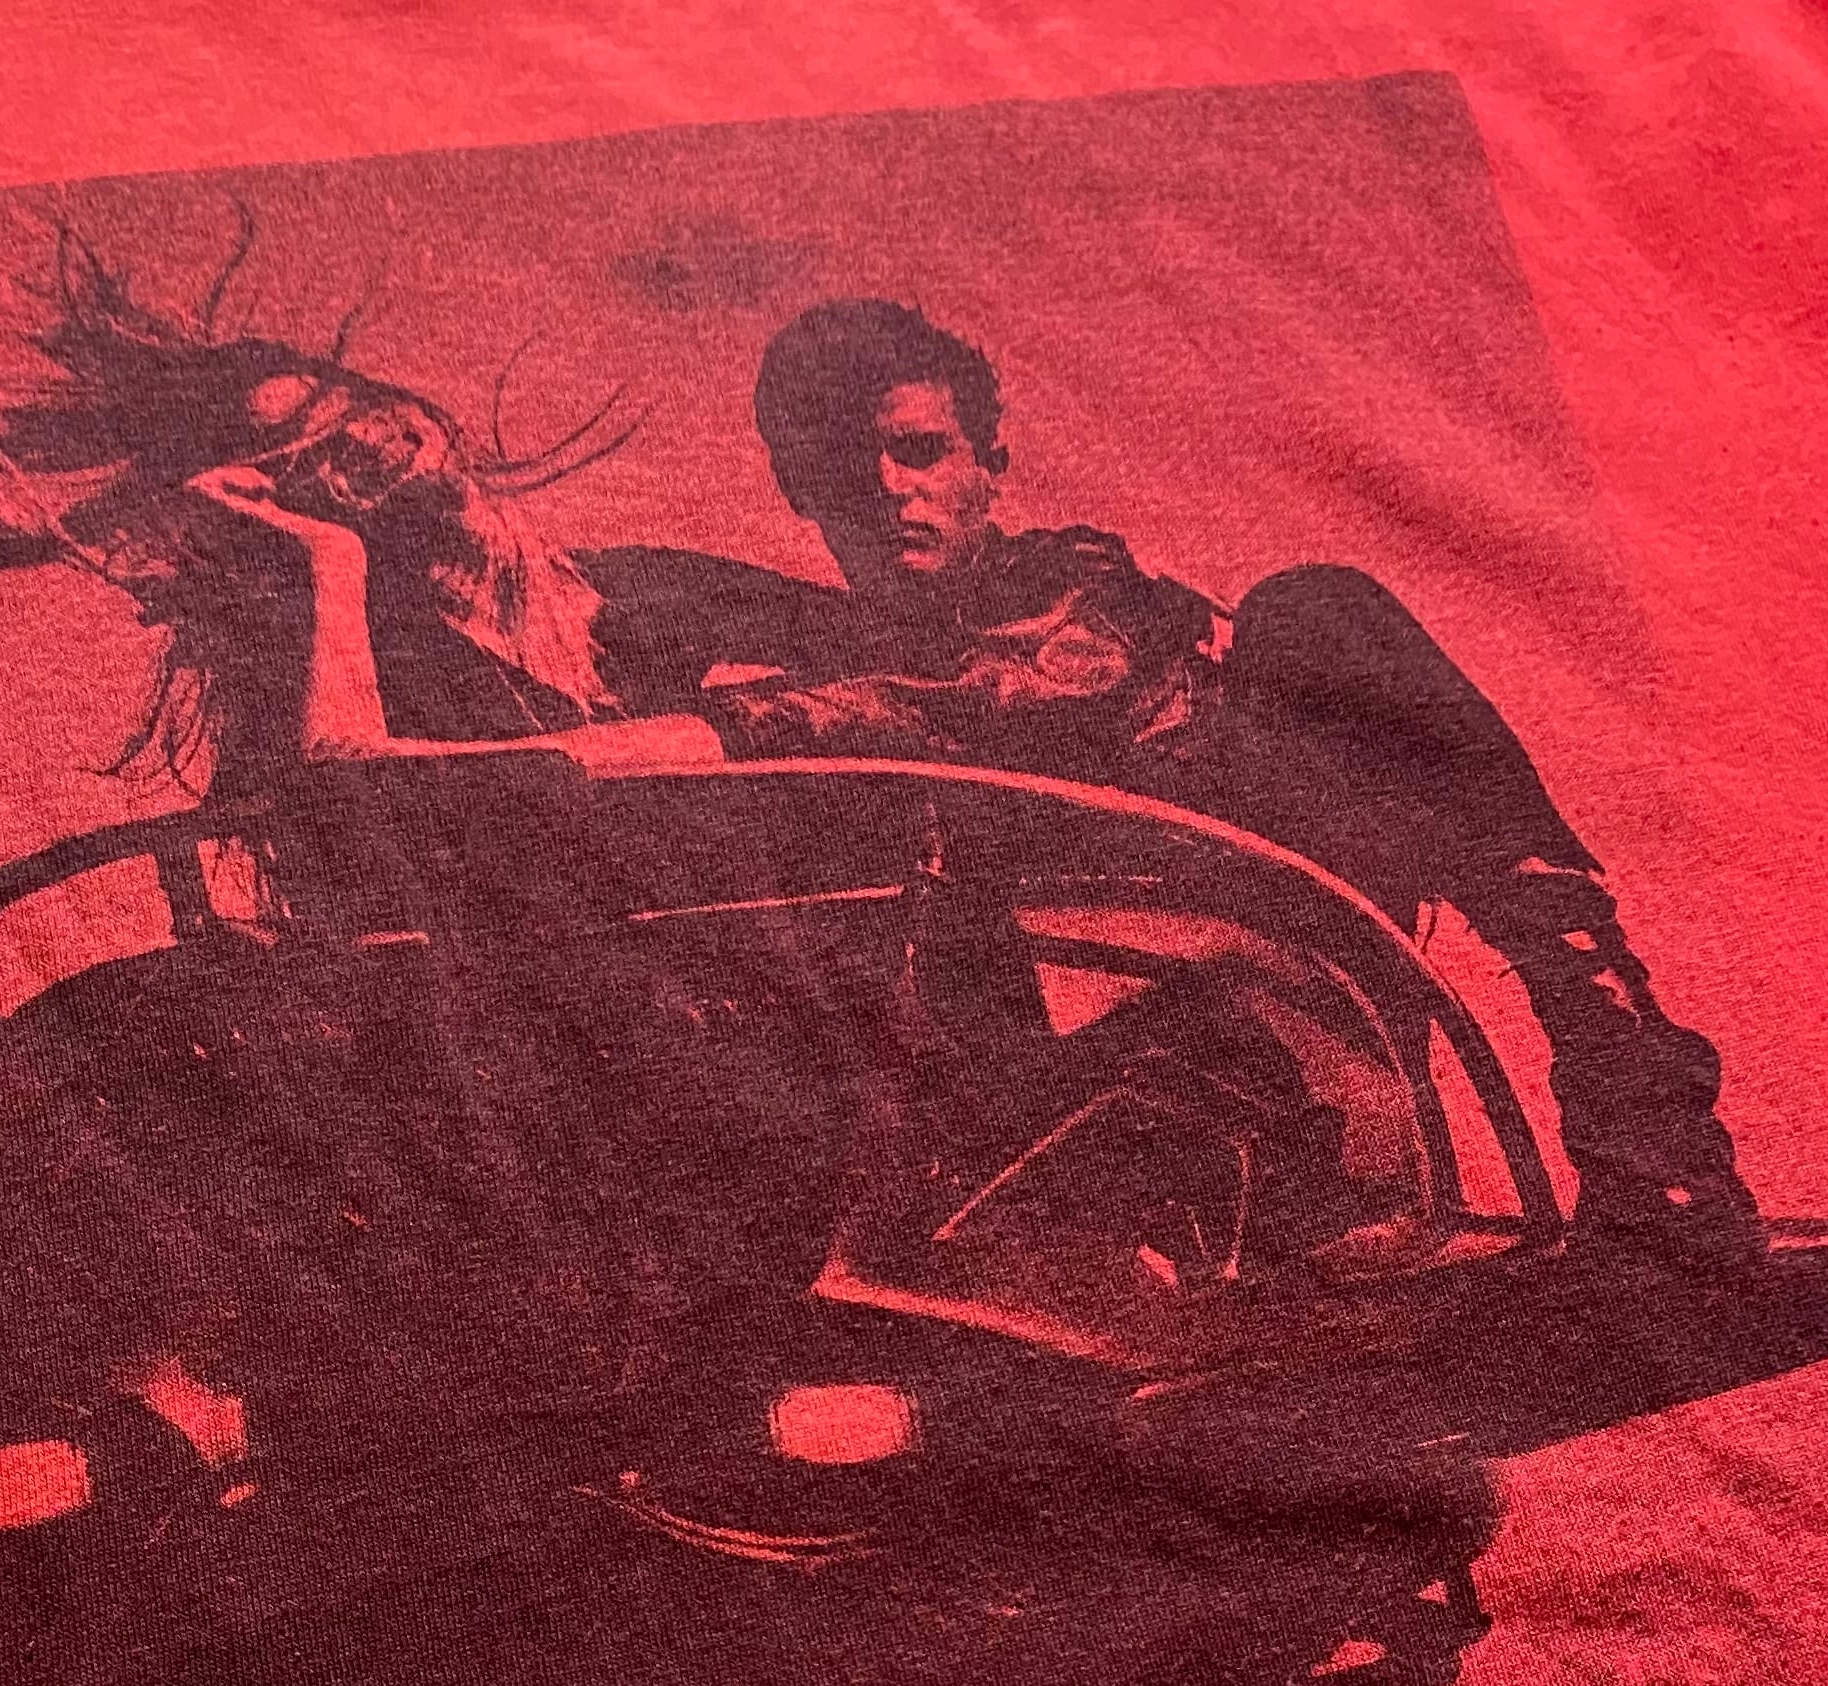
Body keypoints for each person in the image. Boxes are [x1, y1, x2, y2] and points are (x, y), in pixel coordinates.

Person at [701, 297, 1761, 1253]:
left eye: (921, 451)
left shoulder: (1072, 583)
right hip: (1119, 1053)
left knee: (1311, 608)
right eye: (846, 462)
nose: (889, 489)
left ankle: (1652, 1131)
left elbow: (1009, 690)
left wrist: (735, 723)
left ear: (989, 464)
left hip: (1290, 929)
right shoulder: (831, 668)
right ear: (800, 485)